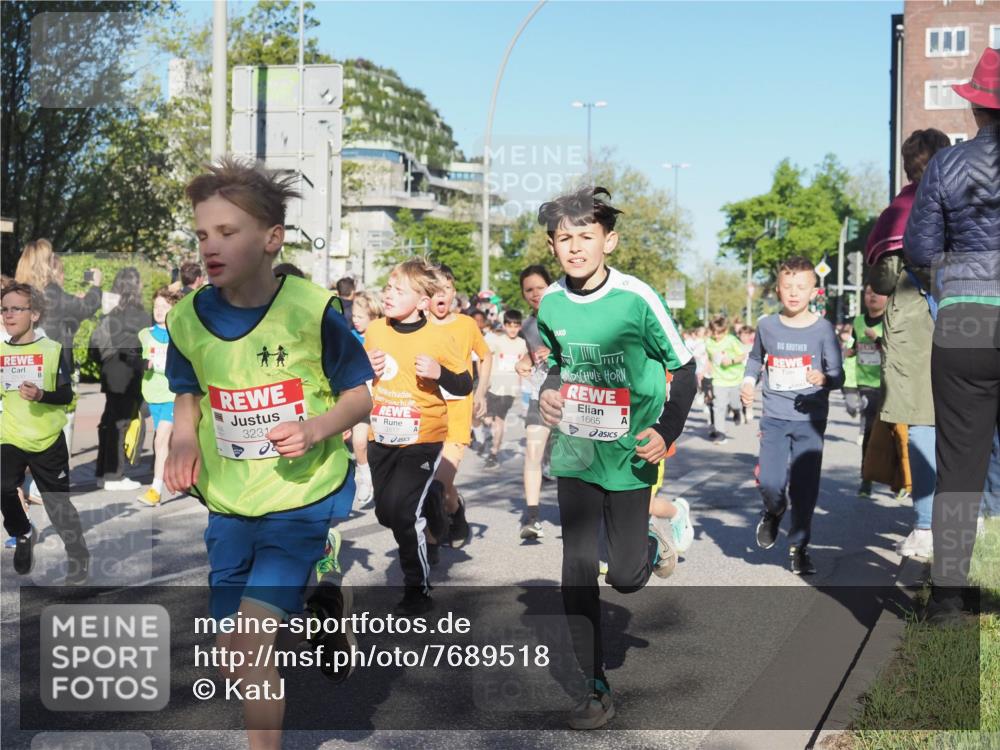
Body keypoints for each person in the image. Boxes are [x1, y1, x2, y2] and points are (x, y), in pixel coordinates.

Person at [164, 157, 373, 749]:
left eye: (227, 232)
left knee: (252, 644)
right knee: (233, 655)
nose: (210, 245)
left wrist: (315, 428)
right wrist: (184, 437)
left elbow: (360, 397)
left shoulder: (312, 310)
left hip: (300, 499)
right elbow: (188, 390)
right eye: (203, 233)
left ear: (271, 238)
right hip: (231, 503)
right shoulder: (187, 318)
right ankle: (322, 612)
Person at [535, 186, 696, 729]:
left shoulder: (637, 299)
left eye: (586, 236)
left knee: (625, 576)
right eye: (564, 239)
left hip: (631, 452)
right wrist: (548, 393)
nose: (575, 247)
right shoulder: (551, 303)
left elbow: (686, 368)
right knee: (577, 564)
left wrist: (665, 430)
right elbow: (556, 364)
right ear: (552, 246)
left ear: (610, 241)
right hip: (576, 450)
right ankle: (594, 686)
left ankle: (652, 539)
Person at [903, 47, 1000, 624]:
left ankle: (947, 599)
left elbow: (918, 249)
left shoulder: (946, 165)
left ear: (976, 109)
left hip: (967, 317)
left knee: (960, 465)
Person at [363, 258, 471, 614]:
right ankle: (432, 501)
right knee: (386, 513)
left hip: (423, 437)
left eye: (399, 290)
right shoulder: (376, 330)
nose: (388, 294)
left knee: (404, 512)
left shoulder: (438, 337)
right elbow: (360, 375)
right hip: (382, 435)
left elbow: (464, 384)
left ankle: (417, 589)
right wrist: (366, 367)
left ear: (423, 301)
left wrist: (439, 372)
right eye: (388, 288)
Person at [866, 128, 952, 560]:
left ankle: (925, 526)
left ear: (907, 166)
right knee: (972, 421)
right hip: (968, 315)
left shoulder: (900, 209)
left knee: (922, 423)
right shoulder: (967, 201)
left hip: (915, 323)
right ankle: (979, 513)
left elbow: (882, 280)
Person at [740, 256, 843, 576]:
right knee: (770, 482)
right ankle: (774, 510)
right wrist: (748, 382)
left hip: (810, 420)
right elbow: (755, 359)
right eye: (788, 286)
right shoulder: (766, 326)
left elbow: (838, 375)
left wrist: (824, 379)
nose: (794, 293)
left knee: (804, 488)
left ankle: (799, 547)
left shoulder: (823, 329)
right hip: (774, 416)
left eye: (801, 286)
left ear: (814, 291)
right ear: (778, 289)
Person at [1, 282, 90, 583]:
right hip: (10, 436)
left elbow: (66, 395)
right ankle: (23, 532)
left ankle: (78, 555)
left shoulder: (53, 350)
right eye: (4, 309)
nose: (8, 314)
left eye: (17, 308)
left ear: (35, 314)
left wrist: (41, 395)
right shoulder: (0, 351)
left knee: (57, 506)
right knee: (3, 486)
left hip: (48, 441)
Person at [15, 239, 103, 451]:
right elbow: (85, 307)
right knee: (47, 433)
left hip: (20, 367)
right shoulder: (52, 293)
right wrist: (96, 286)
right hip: (50, 372)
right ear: (45, 264)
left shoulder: (18, 292)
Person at [426, 264, 491, 550]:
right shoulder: (418, 325)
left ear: (454, 293)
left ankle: (430, 544)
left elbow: (485, 356)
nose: (441, 295)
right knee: (430, 481)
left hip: (458, 413)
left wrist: (481, 392)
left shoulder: (466, 324)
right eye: (435, 290)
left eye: (447, 289)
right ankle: (455, 510)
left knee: (437, 484)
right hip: (426, 414)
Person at [89, 267, 151, 491]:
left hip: (110, 372)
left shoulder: (111, 313)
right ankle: (114, 476)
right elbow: (141, 349)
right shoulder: (141, 316)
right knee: (120, 424)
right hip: (128, 375)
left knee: (109, 423)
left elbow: (95, 348)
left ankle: (102, 473)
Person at [514, 265, 555, 540]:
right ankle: (531, 517)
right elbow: (532, 354)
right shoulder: (528, 325)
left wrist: (554, 352)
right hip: (541, 393)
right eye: (529, 290)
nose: (535, 293)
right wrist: (525, 361)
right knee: (532, 451)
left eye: (540, 287)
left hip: (573, 396)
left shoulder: (568, 314)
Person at [136, 287, 182, 506]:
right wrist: (143, 364)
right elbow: (135, 360)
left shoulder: (180, 334)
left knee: (160, 439)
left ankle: (155, 490)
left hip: (173, 394)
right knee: (166, 443)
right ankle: (182, 474)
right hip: (152, 395)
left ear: (173, 308)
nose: (159, 310)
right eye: (156, 306)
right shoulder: (144, 334)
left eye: (164, 306)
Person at [850, 284, 888, 496]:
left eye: (877, 292)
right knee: (870, 430)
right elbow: (855, 345)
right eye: (868, 292)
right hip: (865, 383)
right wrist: (850, 351)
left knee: (894, 432)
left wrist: (878, 340)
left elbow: (898, 349)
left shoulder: (891, 320)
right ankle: (866, 477)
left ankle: (901, 480)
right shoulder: (857, 321)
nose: (872, 296)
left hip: (889, 383)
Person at [348, 291, 384, 508]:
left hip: (384, 399)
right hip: (361, 399)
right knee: (359, 442)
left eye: (360, 316)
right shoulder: (350, 337)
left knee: (381, 447)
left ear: (374, 317)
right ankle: (365, 478)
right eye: (354, 315)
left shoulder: (384, 335)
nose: (355, 320)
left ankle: (383, 482)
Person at [482, 309, 528, 469]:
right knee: (487, 419)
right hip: (492, 386)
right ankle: (488, 438)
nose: (513, 329)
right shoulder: (497, 341)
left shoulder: (523, 344)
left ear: (520, 326)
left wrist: (521, 386)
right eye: (509, 325)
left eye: (516, 326)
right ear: (504, 325)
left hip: (509, 389)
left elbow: (526, 365)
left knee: (499, 421)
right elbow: (484, 354)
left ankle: (494, 453)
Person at [705, 316, 746, 443]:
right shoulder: (709, 342)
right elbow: (710, 359)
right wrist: (707, 372)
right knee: (719, 406)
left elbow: (743, 355)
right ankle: (720, 433)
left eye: (719, 333)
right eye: (714, 332)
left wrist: (731, 361)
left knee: (734, 403)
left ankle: (737, 411)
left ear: (726, 331)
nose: (716, 336)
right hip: (718, 379)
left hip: (735, 378)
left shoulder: (731, 340)